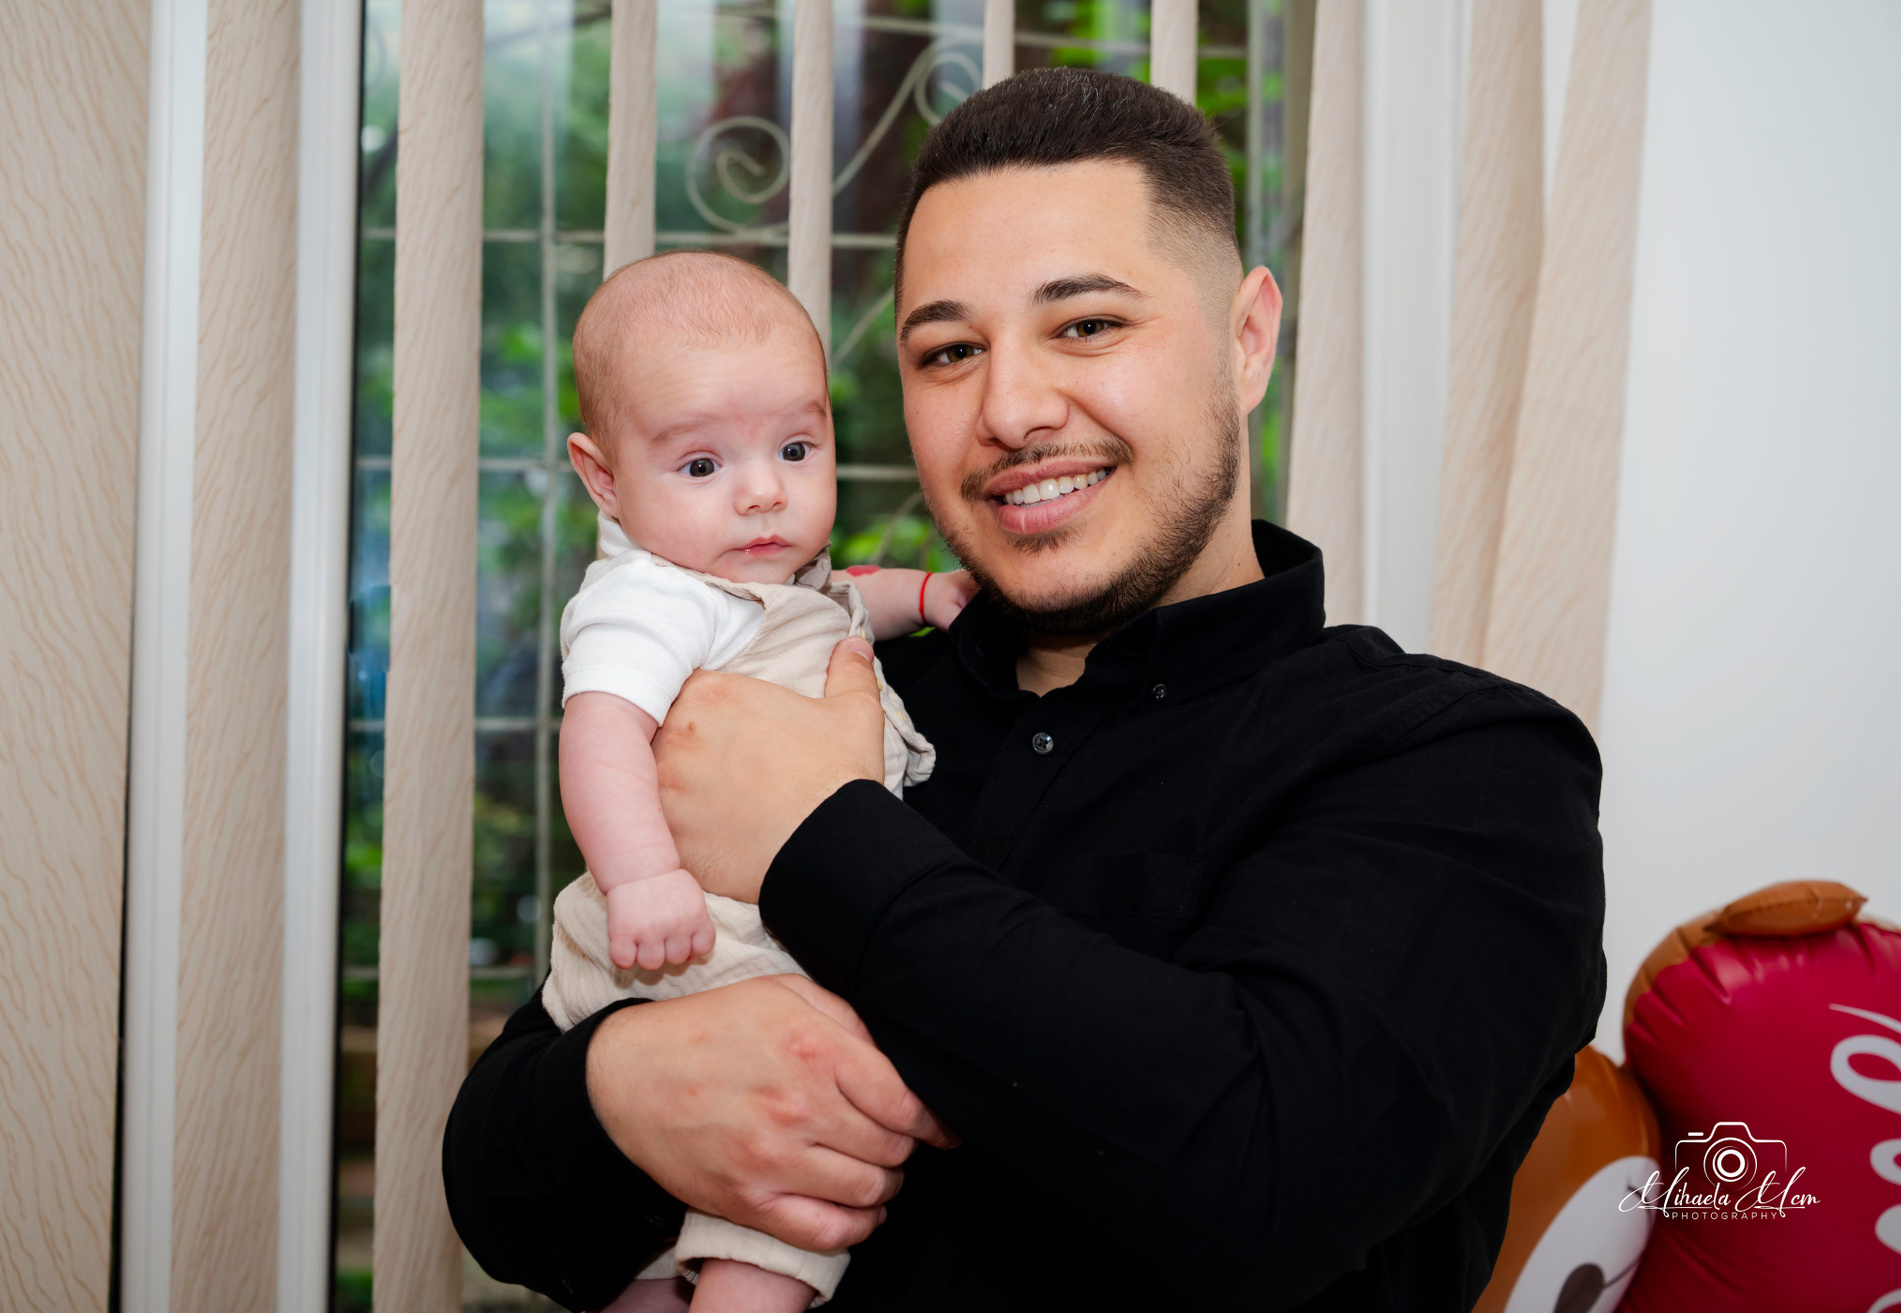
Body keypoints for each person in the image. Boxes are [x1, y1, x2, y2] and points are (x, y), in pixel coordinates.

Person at [445, 68, 1606, 1312]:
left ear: (1247, 338)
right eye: (950, 351)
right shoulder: (812, 679)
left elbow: (1265, 1183)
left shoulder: (1465, 765)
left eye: (1088, 325)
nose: (1009, 408)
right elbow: (495, 1189)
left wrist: (821, 837)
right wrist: (623, 1083)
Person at [545, 250, 972, 1312]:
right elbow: (599, 734)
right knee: (789, 1190)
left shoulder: (758, 579)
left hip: (732, 938)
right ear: (604, 478)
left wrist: (924, 594)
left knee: (658, 1241)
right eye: (702, 464)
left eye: (795, 447)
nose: (763, 491)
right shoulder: (650, 599)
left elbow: (844, 600)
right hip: (706, 940)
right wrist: (644, 878)